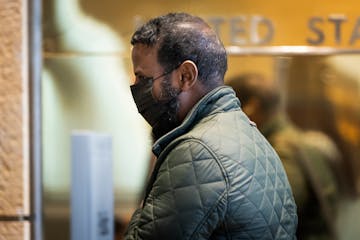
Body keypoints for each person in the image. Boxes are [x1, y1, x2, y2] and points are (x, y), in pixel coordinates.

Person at [125, 13, 297, 240]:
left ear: (186, 76)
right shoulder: (247, 133)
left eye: (143, 78)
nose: (135, 87)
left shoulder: (195, 152)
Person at [227, 73, 340, 240]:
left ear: (252, 107)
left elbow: (276, 214)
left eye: (232, 110)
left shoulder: (281, 150)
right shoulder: (289, 140)